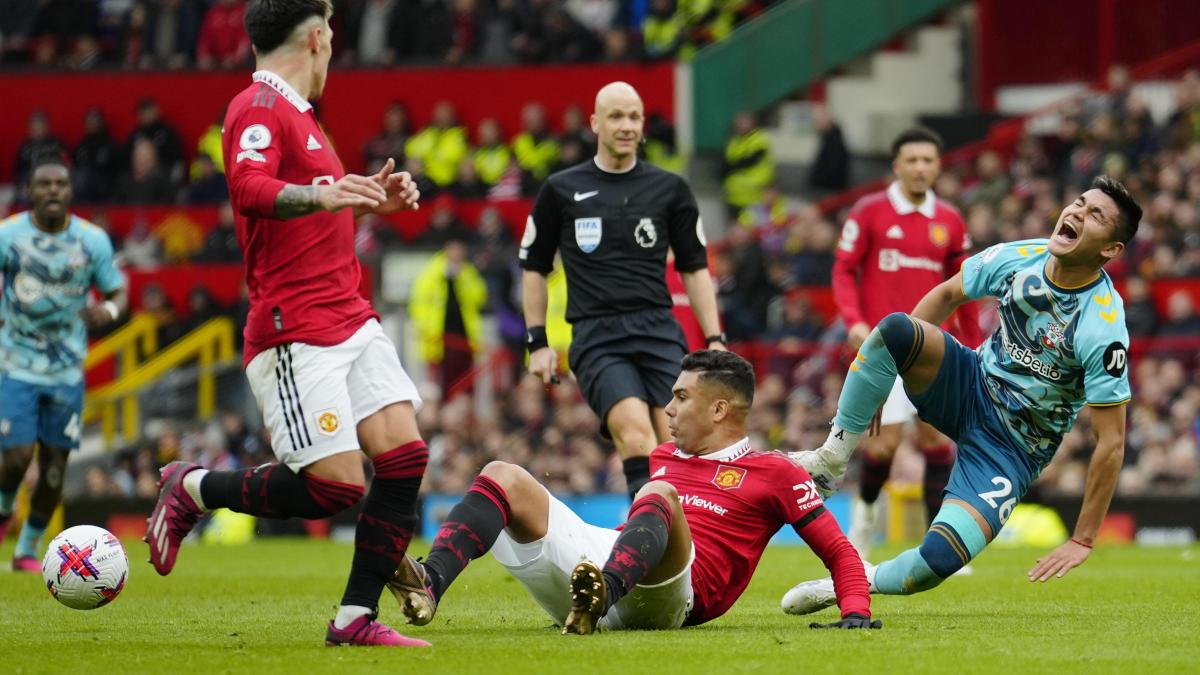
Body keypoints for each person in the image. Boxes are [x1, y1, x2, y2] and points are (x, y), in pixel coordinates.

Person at [143, 0, 429, 648]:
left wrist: (370, 201)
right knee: (334, 487)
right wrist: (325, 192)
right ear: (319, 36)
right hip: (296, 327)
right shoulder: (258, 107)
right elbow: (247, 187)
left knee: (405, 455)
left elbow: (314, 216)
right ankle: (192, 486)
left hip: (350, 314)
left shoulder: (302, 118)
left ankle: (355, 618)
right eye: (334, 32)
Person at [781, 176, 1141, 615]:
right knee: (896, 328)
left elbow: (1111, 441)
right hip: (969, 383)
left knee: (937, 562)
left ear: (1111, 249)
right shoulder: (1020, 256)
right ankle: (830, 461)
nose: (1077, 214)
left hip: (1012, 448)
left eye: (1096, 216)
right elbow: (950, 293)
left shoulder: (1102, 326)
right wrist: (889, 379)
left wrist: (1083, 538)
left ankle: (857, 579)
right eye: (1079, 203)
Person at [388, 350, 878, 633]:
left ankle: (599, 597)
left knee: (658, 494)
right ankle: (429, 583)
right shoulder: (665, 456)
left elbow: (839, 552)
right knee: (502, 474)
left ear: (720, 411)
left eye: (681, 397)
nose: (666, 408)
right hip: (606, 566)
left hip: (672, 599)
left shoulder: (775, 472)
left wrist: (855, 613)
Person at [519, 81, 725, 499]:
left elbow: (694, 268)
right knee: (635, 436)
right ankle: (648, 550)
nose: (626, 125)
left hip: (658, 330)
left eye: (634, 116)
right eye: (616, 116)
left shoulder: (670, 189)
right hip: (597, 335)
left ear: (643, 125)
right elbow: (534, 267)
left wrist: (715, 339)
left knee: (673, 446)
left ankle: (673, 550)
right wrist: (537, 342)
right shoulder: (560, 190)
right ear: (595, 123)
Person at [831, 127, 981, 560]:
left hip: (935, 351)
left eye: (928, 161)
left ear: (937, 166)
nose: (920, 168)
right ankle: (864, 516)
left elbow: (964, 289)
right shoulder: (870, 212)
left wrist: (972, 346)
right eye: (911, 160)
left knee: (937, 443)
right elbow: (843, 271)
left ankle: (939, 545)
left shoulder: (949, 220)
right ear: (896, 166)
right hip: (884, 349)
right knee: (884, 445)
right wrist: (855, 322)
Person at [0, 159, 127, 570]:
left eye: (61, 184)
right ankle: (4, 511)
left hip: (67, 370)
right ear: (30, 191)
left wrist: (107, 311)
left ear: (71, 191)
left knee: (54, 470)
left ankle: (26, 550)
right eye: (44, 184)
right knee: (18, 457)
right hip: (15, 363)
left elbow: (117, 292)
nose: (53, 190)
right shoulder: (8, 236)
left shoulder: (92, 241)